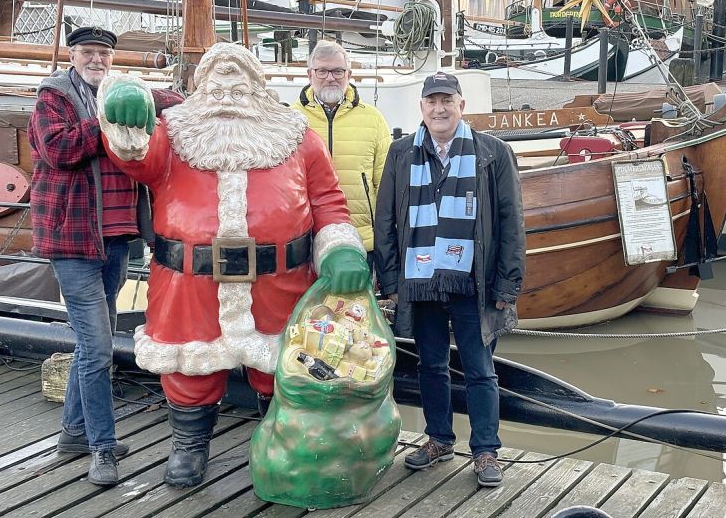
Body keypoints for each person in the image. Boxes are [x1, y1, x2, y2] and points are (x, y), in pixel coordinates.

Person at [97, 43, 370, 488]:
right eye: (218, 86)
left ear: (257, 89)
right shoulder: (174, 131)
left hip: (280, 282)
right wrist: (124, 99)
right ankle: (189, 448)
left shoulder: (297, 135)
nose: (227, 95)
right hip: (190, 283)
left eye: (238, 86)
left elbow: (327, 201)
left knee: (282, 369)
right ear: (201, 89)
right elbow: (133, 154)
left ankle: (282, 444)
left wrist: (339, 247)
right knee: (188, 370)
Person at [27, 26, 183, 487]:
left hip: (116, 238)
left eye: (104, 54)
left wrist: (151, 97)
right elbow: (57, 150)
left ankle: (74, 433)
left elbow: (171, 101)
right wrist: (111, 114)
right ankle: (102, 448)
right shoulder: (53, 96)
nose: (97, 60)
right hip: (71, 240)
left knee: (92, 342)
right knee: (98, 348)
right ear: (73, 56)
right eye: (88, 52)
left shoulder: (121, 88)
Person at [373, 71, 525, 488]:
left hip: (473, 282)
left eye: (447, 101)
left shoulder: (492, 153)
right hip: (420, 281)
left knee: (480, 369)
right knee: (431, 365)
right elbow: (385, 218)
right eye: (431, 101)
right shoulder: (401, 153)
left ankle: (485, 450)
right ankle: (439, 439)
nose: (439, 109)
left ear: (462, 105)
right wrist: (389, 281)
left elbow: (512, 222)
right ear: (421, 107)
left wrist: (507, 285)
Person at [292, 40, 391, 264]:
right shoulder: (290, 120)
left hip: (362, 241)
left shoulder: (373, 120)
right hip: (305, 243)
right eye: (322, 71)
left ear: (349, 74)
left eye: (338, 71)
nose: (330, 77)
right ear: (309, 74)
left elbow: (386, 186)